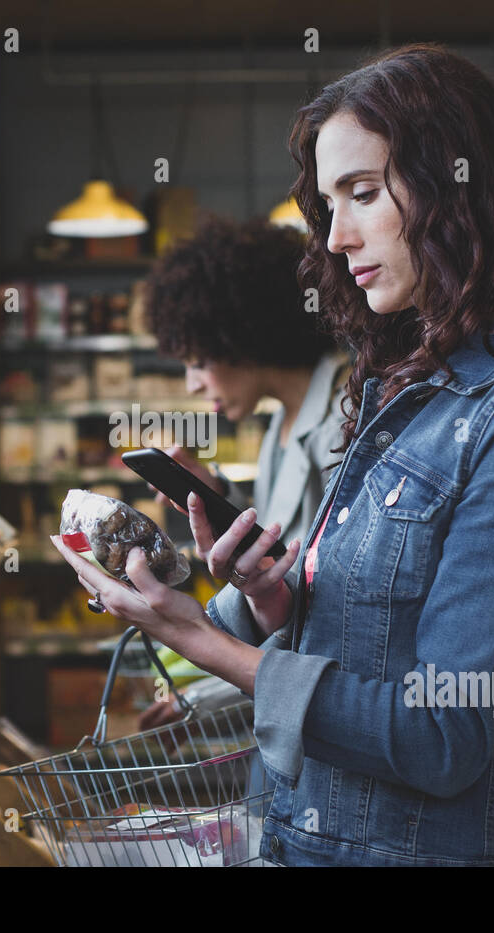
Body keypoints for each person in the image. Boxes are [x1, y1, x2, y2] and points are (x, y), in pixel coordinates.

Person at [52, 43, 494, 866]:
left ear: (460, 190)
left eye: (363, 193)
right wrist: (279, 603)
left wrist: (209, 644)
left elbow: (443, 731)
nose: (338, 233)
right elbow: (376, 642)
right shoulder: (400, 388)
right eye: (328, 203)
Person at [133, 216, 350, 730]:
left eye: (198, 360)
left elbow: (322, 602)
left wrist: (203, 699)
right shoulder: (282, 418)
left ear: (241, 335)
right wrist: (217, 497)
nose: (191, 384)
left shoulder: (349, 414)